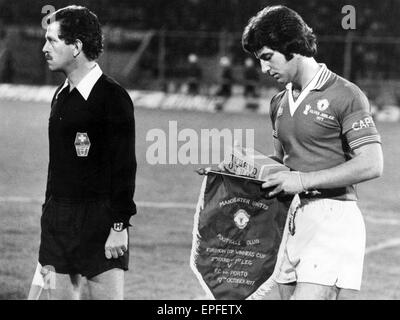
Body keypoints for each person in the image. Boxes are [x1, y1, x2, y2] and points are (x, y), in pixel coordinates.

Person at [242, 5, 383, 300]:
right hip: (292, 218)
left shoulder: (345, 94)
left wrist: (304, 181)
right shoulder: (278, 102)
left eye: (268, 57)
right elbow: (284, 166)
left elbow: (372, 164)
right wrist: (241, 170)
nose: (264, 69)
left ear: (290, 46)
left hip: (333, 219)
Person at [36, 5, 137, 299]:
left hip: (100, 221)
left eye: (52, 40)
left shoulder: (113, 98)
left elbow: (124, 168)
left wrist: (119, 226)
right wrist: (48, 225)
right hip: (58, 220)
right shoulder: (60, 95)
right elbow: (57, 168)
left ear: (77, 46)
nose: (45, 47)